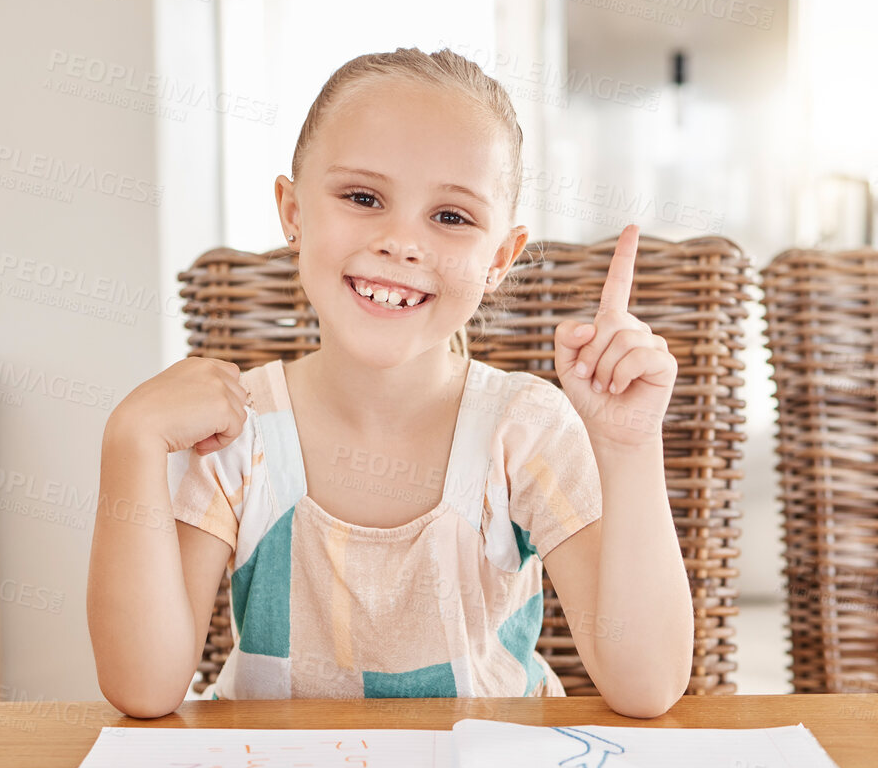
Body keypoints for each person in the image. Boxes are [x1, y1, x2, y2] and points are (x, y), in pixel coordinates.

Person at [88, 47, 693, 719]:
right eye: (363, 198)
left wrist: (631, 446)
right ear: (292, 211)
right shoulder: (233, 431)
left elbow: (649, 685)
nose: (402, 242)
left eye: (451, 216)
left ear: (499, 258)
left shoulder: (526, 428)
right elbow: (142, 689)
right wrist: (131, 441)